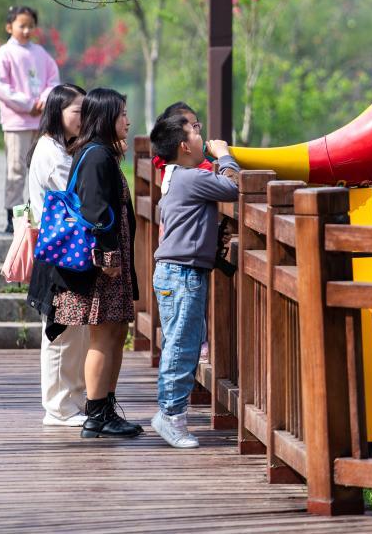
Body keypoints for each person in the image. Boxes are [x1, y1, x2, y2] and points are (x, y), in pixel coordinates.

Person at [30, 88, 140, 439]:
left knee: (115, 332)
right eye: (122, 114)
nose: (128, 121)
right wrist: (109, 257)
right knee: (103, 335)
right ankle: (96, 414)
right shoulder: (96, 155)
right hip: (103, 265)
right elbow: (95, 211)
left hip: (111, 262)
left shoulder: (100, 152)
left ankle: (104, 408)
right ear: (107, 117)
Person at [148, 113, 240, 448]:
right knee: (181, 347)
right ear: (184, 146)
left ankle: (171, 414)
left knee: (181, 343)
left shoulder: (177, 175)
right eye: (196, 132)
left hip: (177, 272)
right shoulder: (189, 178)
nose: (203, 137)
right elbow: (233, 187)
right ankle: (171, 416)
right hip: (182, 274)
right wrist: (225, 155)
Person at [25, 83, 91, 427]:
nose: (84, 117)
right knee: (61, 332)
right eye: (78, 111)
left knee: (73, 331)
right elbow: (80, 195)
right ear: (57, 112)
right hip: (59, 253)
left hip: (64, 249)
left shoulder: (59, 147)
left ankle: (71, 401)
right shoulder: (52, 153)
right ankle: (58, 407)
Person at [0, 5, 60, 233]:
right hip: (16, 123)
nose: (27, 30)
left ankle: (39, 214)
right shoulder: (5, 52)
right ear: (9, 27)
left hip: (41, 122)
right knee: (16, 169)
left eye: (31, 26)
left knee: (41, 169)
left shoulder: (40, 53)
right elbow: (0, 87)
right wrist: (28, 104)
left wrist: (44, 100)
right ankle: (13, 216)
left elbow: (53, 80)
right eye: (22, 26)